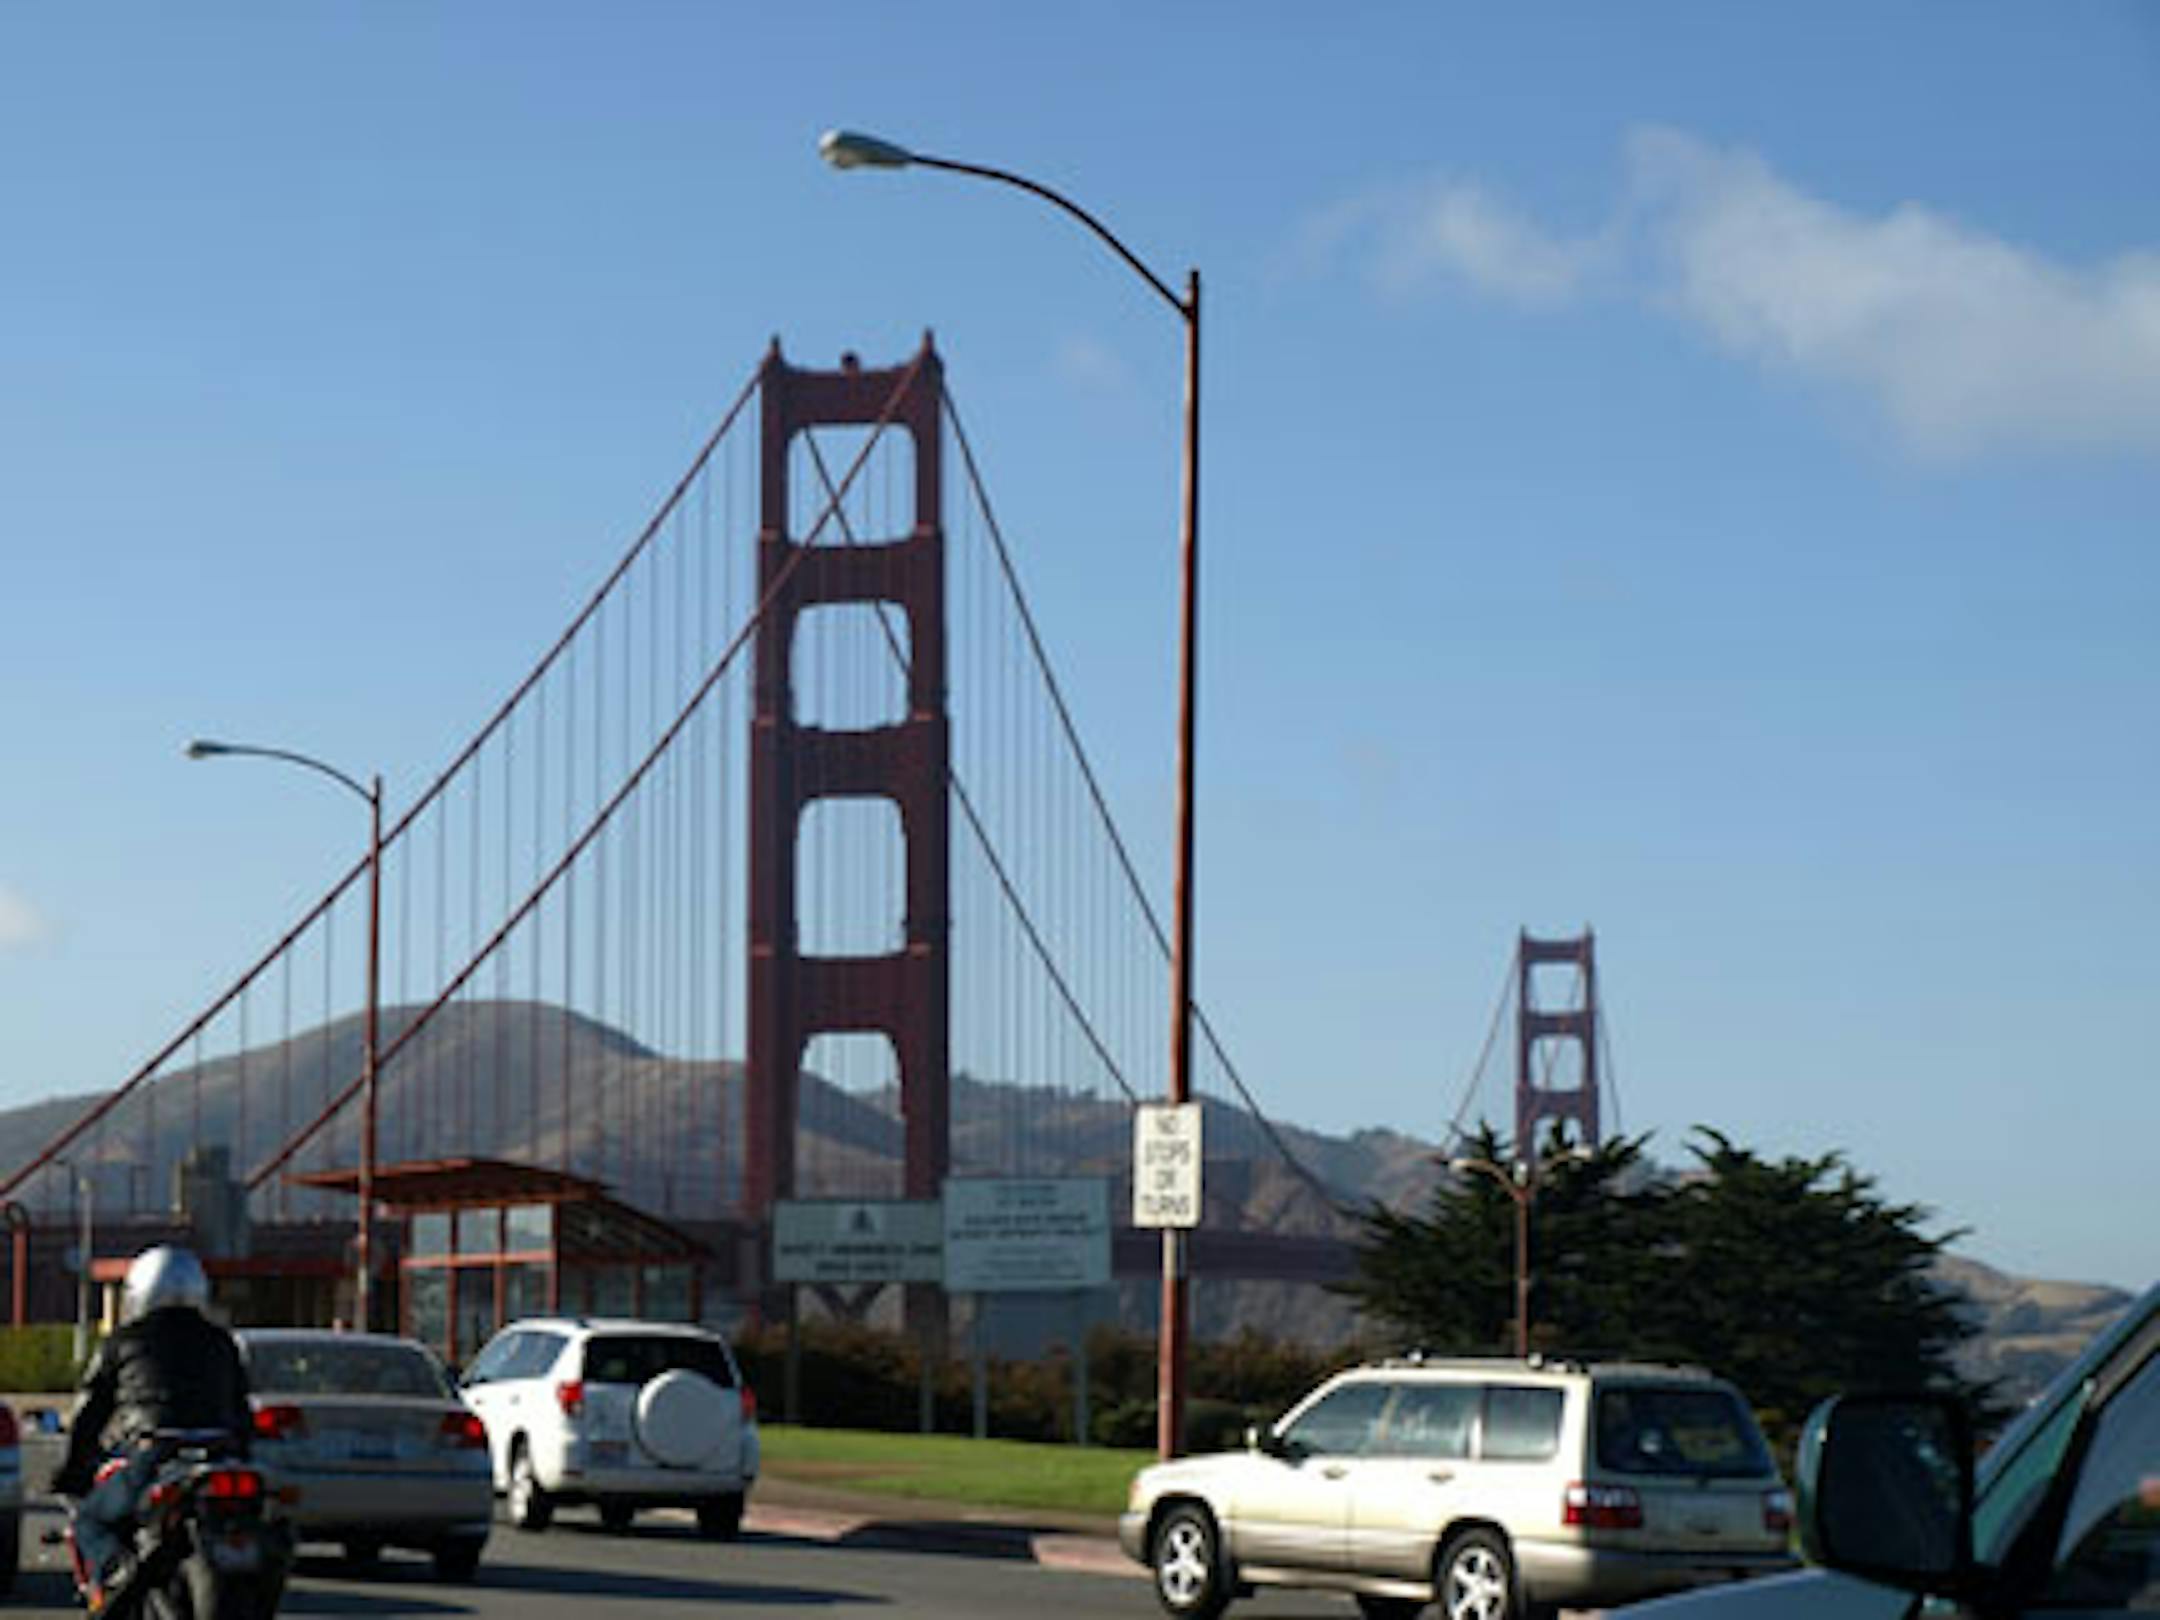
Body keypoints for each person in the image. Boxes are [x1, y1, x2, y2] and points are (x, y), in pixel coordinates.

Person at [52, 1246, 252, 1613]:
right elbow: (242, 1410)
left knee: (91, 1520)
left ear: (140, 1291)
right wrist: (242, 1455)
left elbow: (90, 1414)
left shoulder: (125, 1341)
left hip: (154, 1453)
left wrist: (72, 1472)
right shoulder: (221, 1342)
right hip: (220, 1455)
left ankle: (117, 1576)